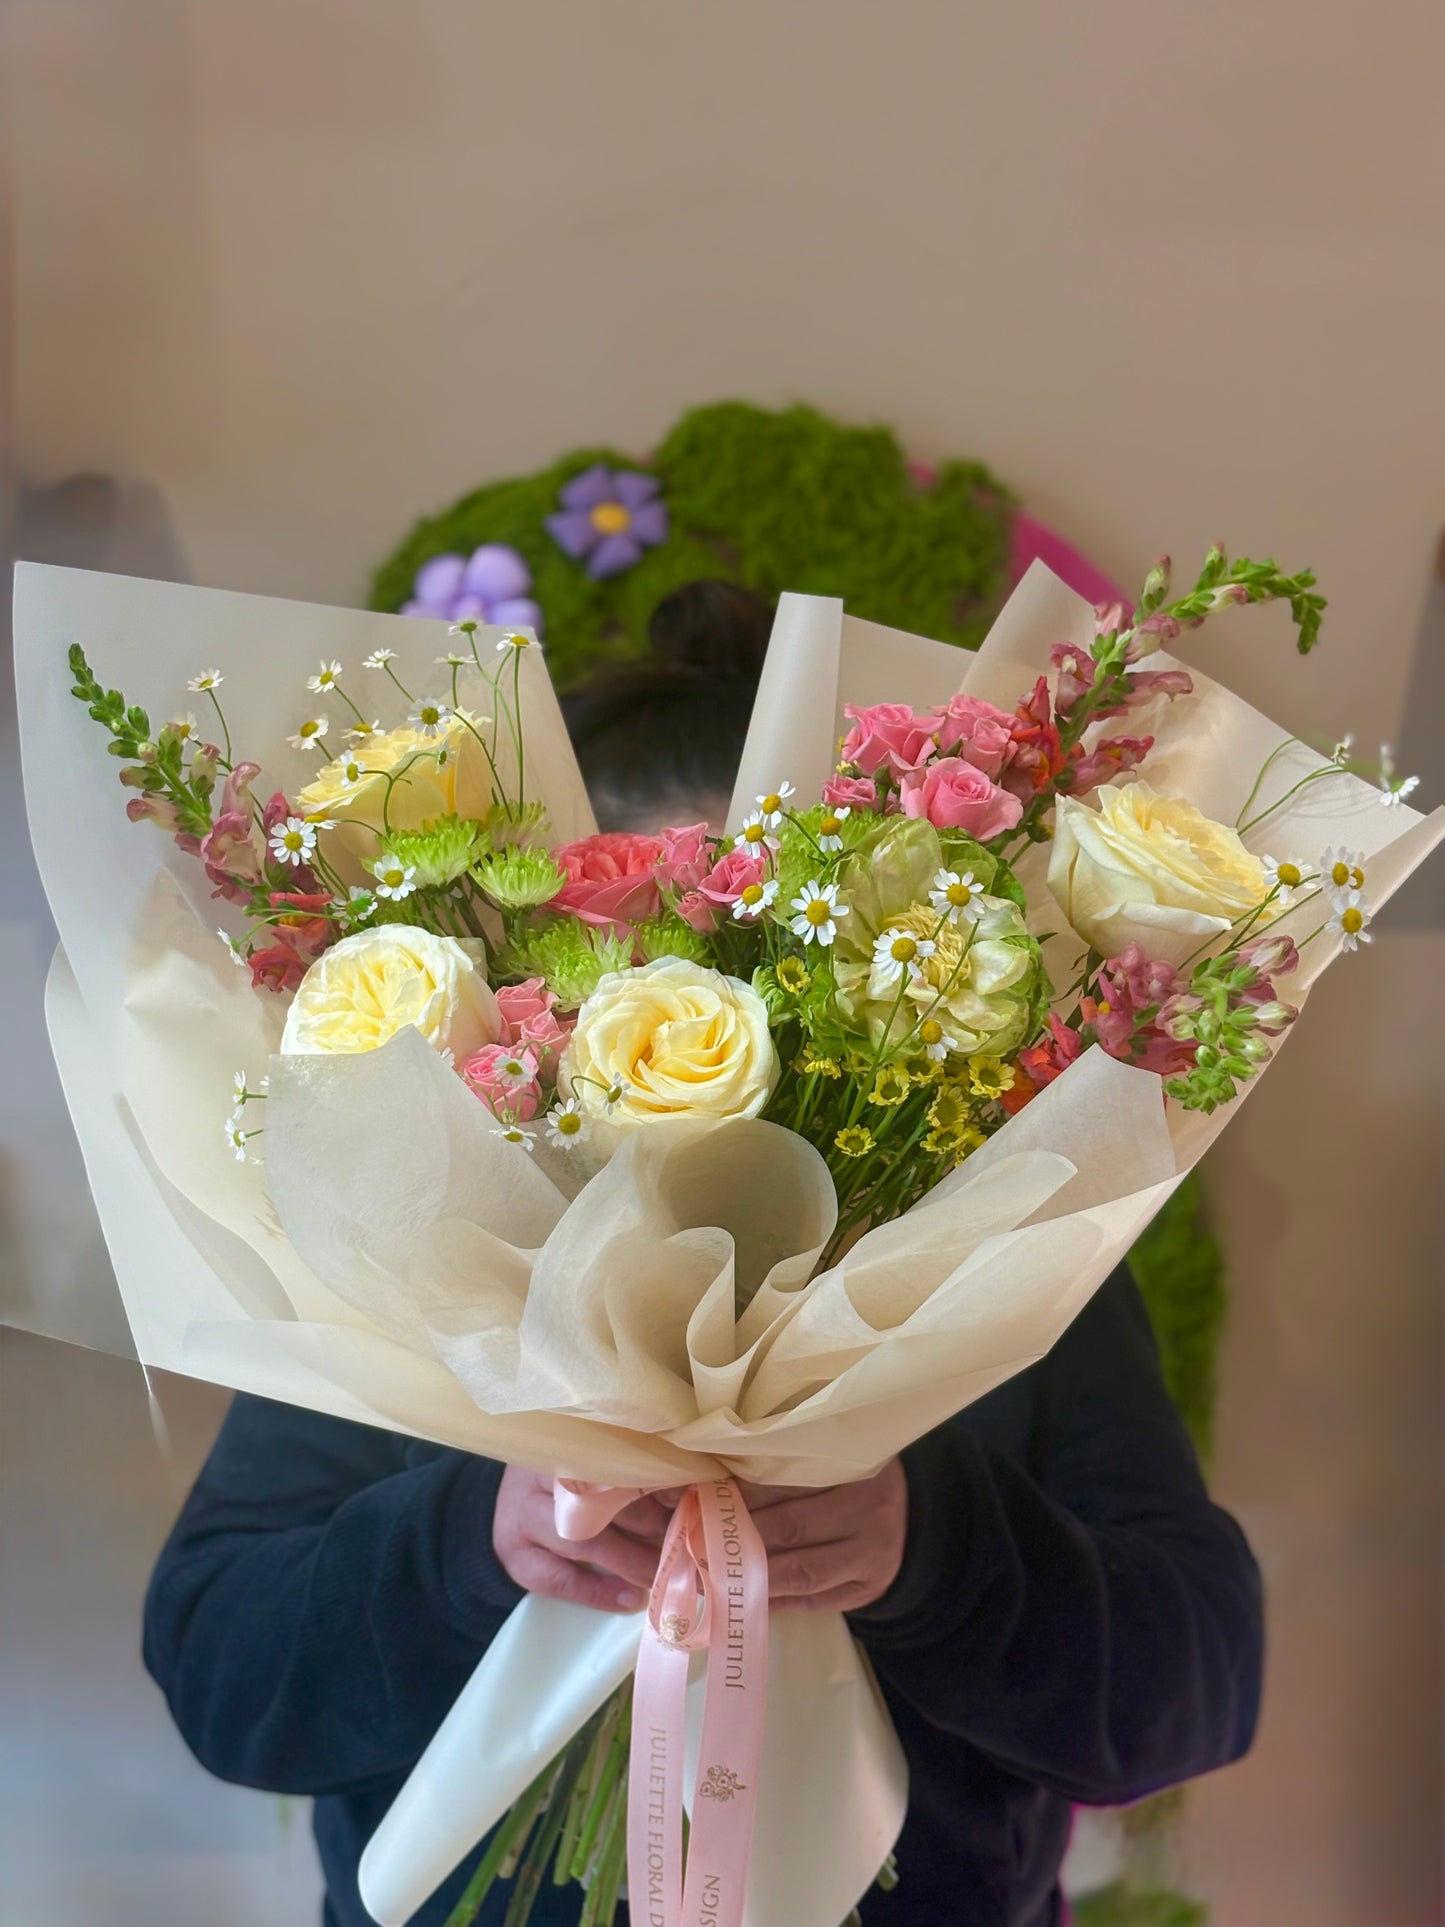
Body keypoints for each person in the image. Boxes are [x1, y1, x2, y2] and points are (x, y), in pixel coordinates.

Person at [143, 580, 1263, 1927]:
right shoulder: (392, 1254)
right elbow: (222, 1672)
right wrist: (472, 1541)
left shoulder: (1013, 1242)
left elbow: (1193, 1683)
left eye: (754, 956)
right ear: (513, 985)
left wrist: (933, 1545)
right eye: (610, 966)